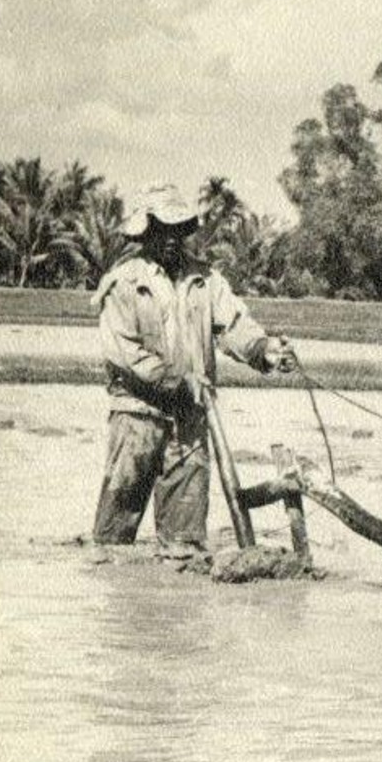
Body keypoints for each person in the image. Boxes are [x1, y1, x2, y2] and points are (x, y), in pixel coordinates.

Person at [91, 183, 295, 552]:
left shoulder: (205, 280)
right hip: (137, 417)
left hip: (190, 419)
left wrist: (264, 349)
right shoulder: (123, 284)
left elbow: (233, 327)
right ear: (145, 231)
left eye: (177, 229)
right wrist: (179, 379)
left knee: (184, 544)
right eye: (161, 229)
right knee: (113, 540)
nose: (170, 238)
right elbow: (125, 355)